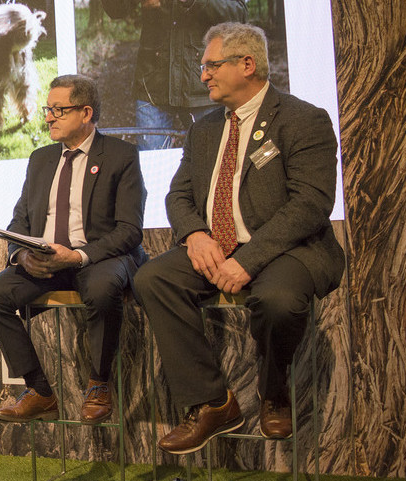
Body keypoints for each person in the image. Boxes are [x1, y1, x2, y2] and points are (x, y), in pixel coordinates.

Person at [133, 22, 344, 454]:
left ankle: (274, 390)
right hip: (215, 245)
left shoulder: (304, 119)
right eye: (203, 67)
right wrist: (194, 234)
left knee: (278, 300)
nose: (203, 75)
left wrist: (249, 260)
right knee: (153, 278)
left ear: (247, 64)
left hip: (287, 248)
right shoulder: (204, 128)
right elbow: (180, 194)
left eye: (211, 65)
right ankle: (213, 402)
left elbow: (310, 204)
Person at [0, 75, 147, 424]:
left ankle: (99, 383)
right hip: (48, 264)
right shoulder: (40, 159)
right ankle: (39, 391)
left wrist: (78, 256)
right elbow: (19, 221)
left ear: (86, 113)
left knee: (101, 287)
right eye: (48, 109)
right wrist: (21, 254)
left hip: (100, 258)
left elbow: (130, 230)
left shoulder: (121, 155)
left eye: (59, 110)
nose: (48, 118)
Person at [102, 0, 246, 150]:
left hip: (204, 89)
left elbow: (238, 13)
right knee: (153, 166)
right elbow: (116, 10)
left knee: (211, 163)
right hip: (152, 86)